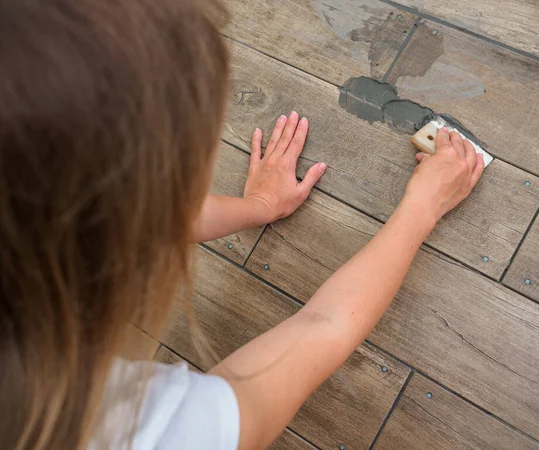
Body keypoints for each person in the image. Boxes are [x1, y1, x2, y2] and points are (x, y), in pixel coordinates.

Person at [0, 0, 484, 449]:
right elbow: (326, 326)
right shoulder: (124, 429)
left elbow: (124, 213)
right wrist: (422, 207)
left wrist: (260, 204)